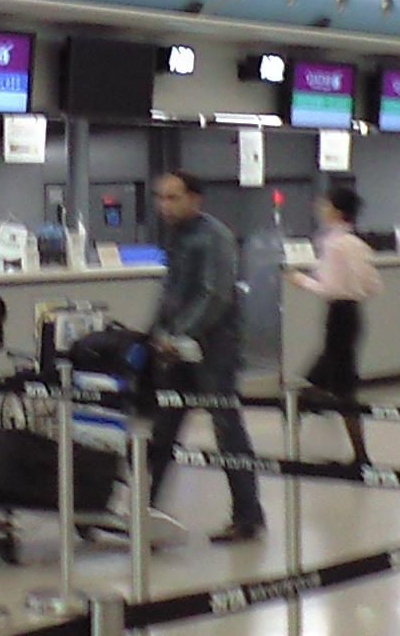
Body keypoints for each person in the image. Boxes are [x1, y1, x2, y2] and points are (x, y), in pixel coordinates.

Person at [147, 170, 265, 545]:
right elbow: (172, 292)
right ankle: (144, 511)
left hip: (215, 349)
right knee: (163, 428)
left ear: (195, 199)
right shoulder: (176, 236)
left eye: (173, 197)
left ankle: (248, 515)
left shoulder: (215, 236)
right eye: (160, 198)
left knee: (226, 428)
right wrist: (155, 332)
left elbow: (215, 295)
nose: (164, 205)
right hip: (177, 349)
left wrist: (180, 334)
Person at [286, 186, 382, 466]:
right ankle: (355, 452)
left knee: (339, 389)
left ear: (337, 211)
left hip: (337, 316)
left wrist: (299, 279)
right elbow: (373, 285)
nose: (320, 208)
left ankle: (356, 455)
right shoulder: (357, 243)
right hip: (353, 316)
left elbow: (329, 288)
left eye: (325, 205)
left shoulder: (334, 244)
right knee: (337, 384)